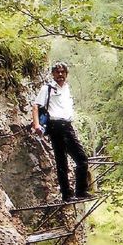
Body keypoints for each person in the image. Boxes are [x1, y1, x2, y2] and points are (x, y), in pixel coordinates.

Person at [31, 62, 91, 203]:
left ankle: (74, 193)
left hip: (67, 126)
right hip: (55, 126)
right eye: (57, 72)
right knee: (69, 160)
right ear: (53, 74)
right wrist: (37, 125)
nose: (60, 75)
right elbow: (35, 106)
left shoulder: (67, 89)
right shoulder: (48, 88)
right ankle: (73, 193)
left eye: (63, 72)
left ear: (66, 74)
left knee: (75, 160)